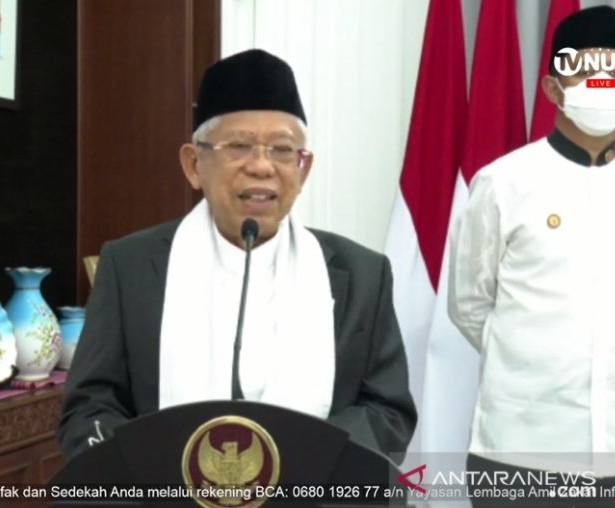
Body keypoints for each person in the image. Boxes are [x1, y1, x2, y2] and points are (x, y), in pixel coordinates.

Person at [58, 49, 416, 462]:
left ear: (303, 169)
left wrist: (305, 463)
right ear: (194, 164)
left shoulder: (363, 275)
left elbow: (388, 412)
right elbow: (88, 409)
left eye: (282, 149)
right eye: (239, 146)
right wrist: (156, 472)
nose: (262, 167)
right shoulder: (131, 267)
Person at [448, 6, 615, 507]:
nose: (601, 85)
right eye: (586, 71)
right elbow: (469, 305)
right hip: (521, 450)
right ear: (552, 88)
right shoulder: (504, 184)